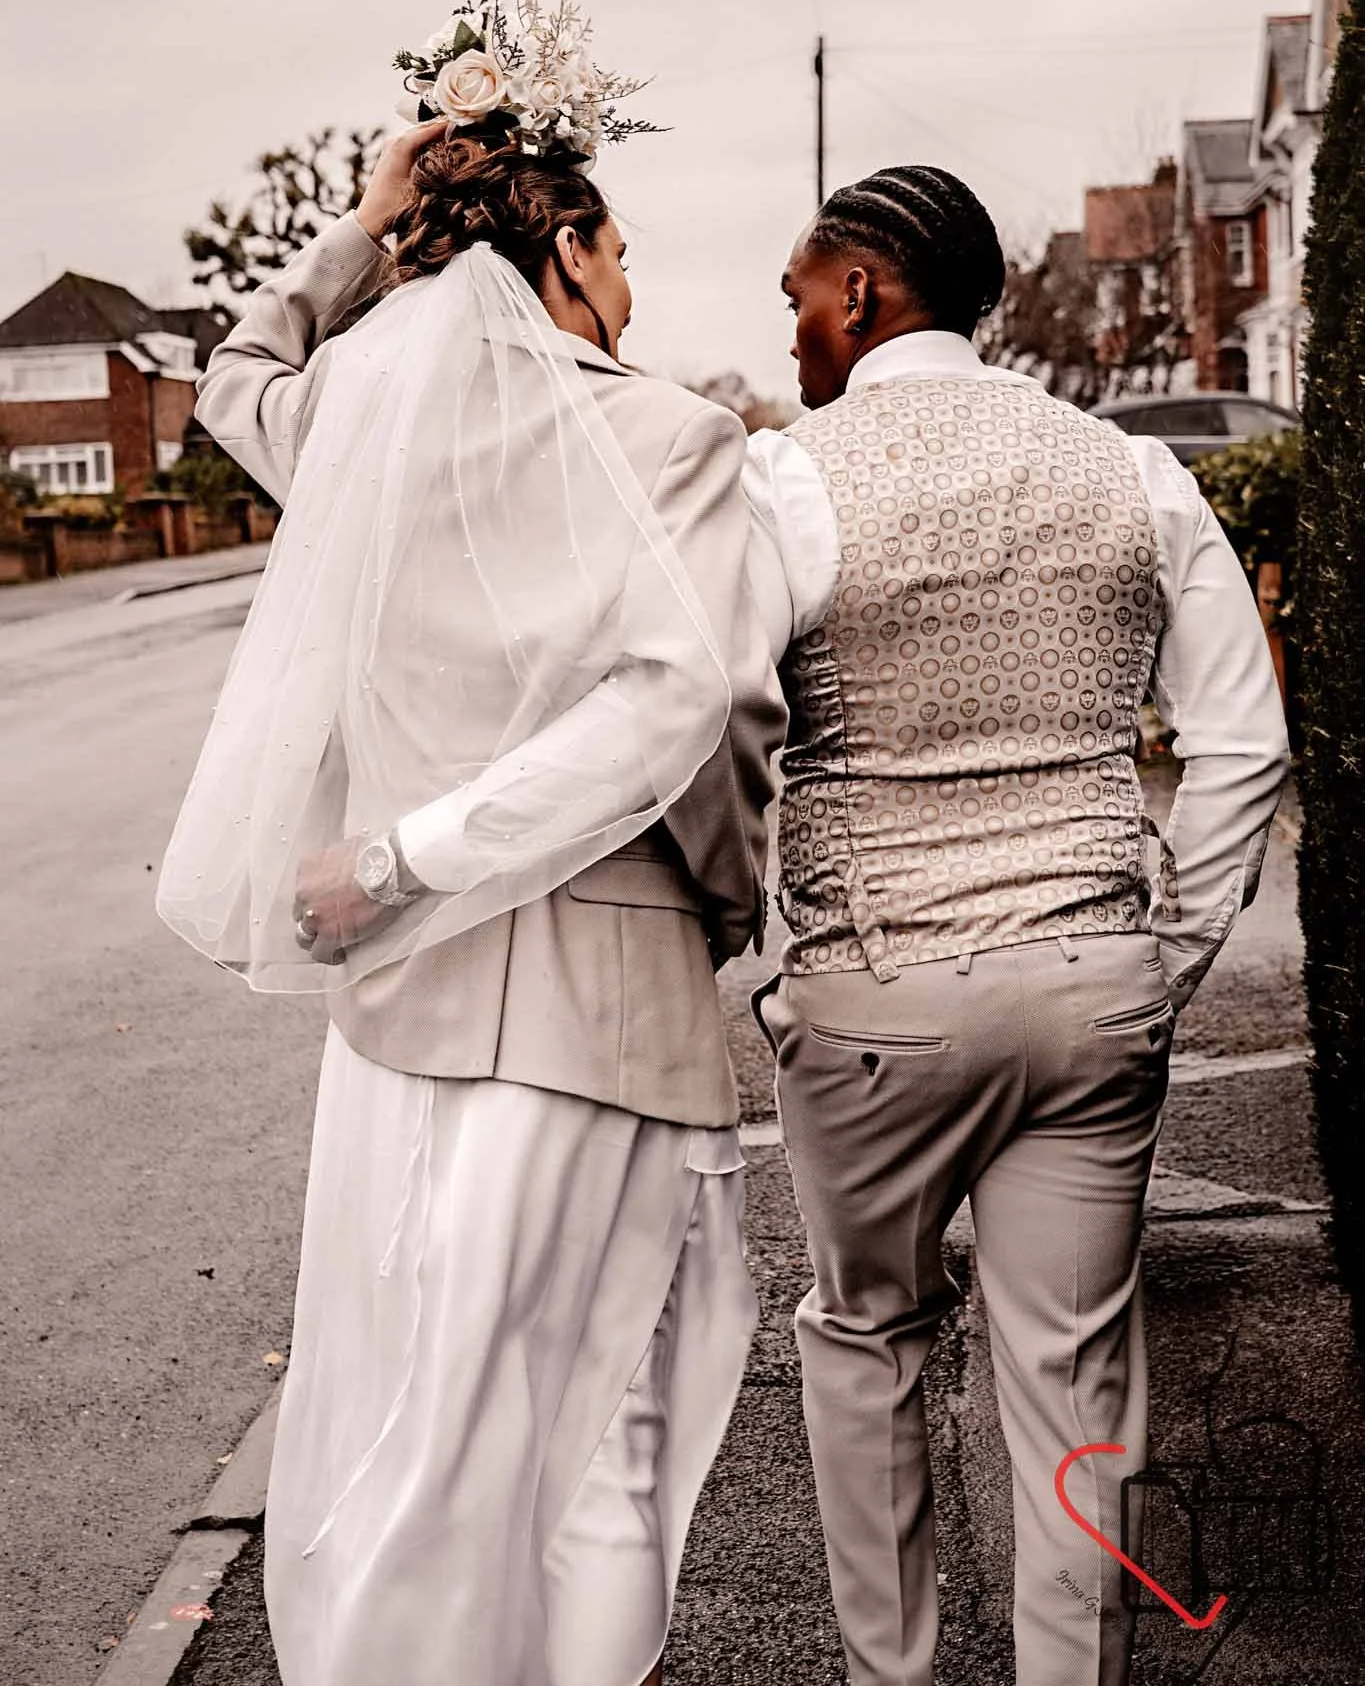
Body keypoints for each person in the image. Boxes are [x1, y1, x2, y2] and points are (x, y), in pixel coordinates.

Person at [158, 113, 785, 1686]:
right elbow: (688, 712)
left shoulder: (362, 432)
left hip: (395, 1022)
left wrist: (362, 226)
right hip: (602, 1014)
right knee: (606, 1448)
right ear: (564, 252)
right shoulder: (672, 441)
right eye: (621, 255)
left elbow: (234, 382)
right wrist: (722, 899)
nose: (631, 293)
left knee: (415, 1433)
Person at [742, 165, 1291, 1686]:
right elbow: (1243, 742)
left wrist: (772, 965)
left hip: (877, 989)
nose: (789, 329)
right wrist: (1160, 958)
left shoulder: (787, 481)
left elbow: (717, 730)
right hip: (1094, 977)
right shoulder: (1135, 473)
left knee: (868, 1344)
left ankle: (895, 1673)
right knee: (1073, 1384)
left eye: (797, 294)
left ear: (862, 290)